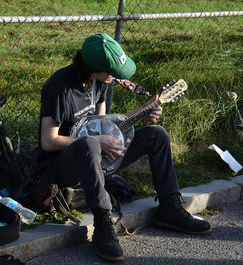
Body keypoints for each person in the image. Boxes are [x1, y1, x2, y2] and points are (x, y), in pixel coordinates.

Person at [38, 33, 212, 262]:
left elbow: (103, 126)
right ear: (94, 67)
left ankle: (170, 208)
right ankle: (103, 223)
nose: (116, 78)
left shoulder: (98, 81)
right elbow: (48, 141)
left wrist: (144, 111)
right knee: (89, 143)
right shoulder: (60, 88)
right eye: (112, 72)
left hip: (95, 161)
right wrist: (97, 141)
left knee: (156, 134)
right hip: (61, 169)